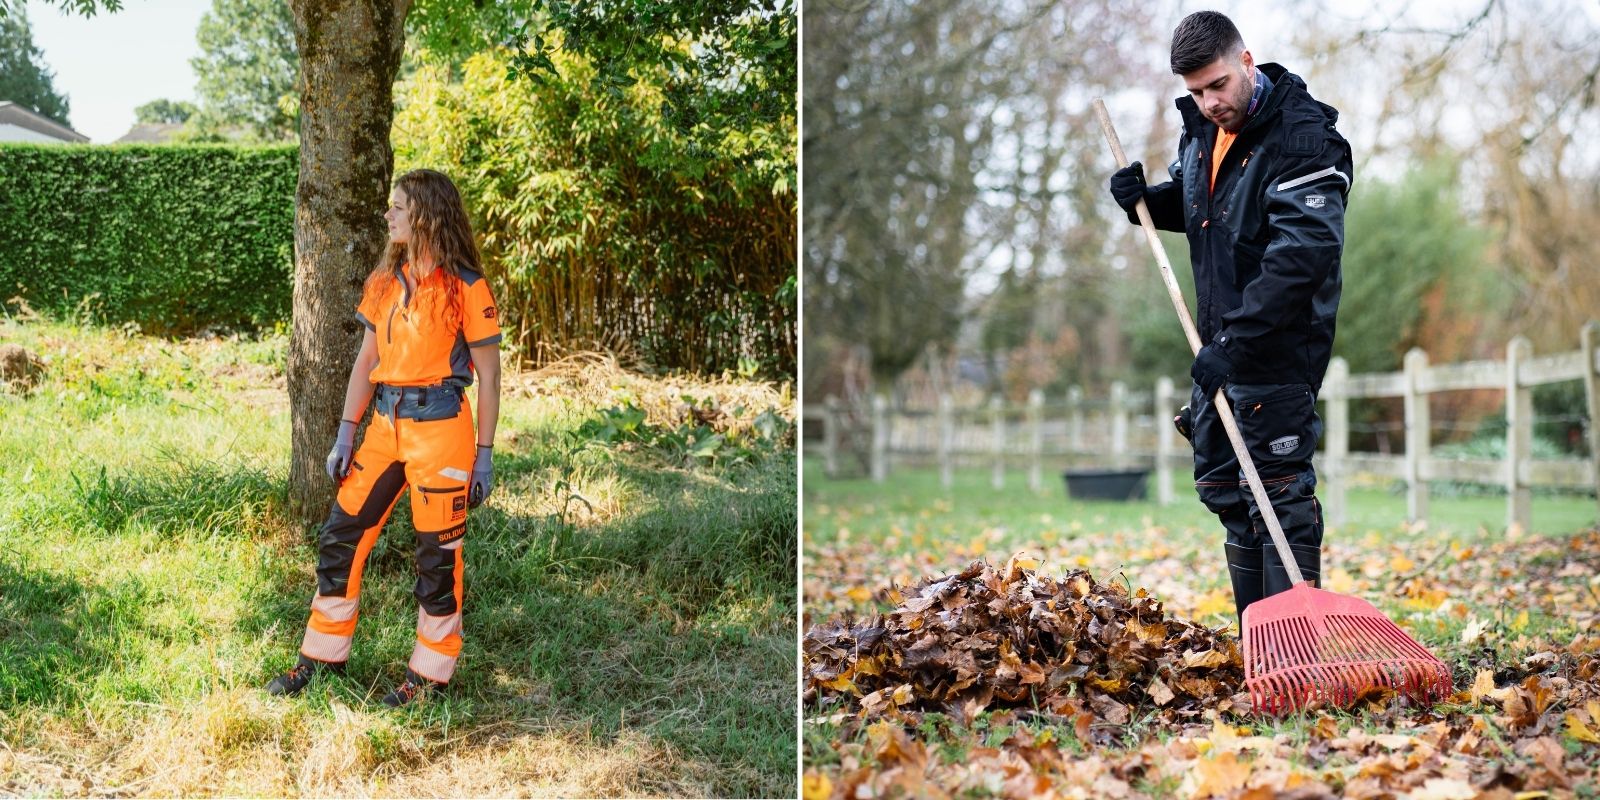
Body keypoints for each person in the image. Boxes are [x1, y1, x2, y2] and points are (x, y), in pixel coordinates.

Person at [1106, 11, 1353, 626]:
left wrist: (1233, 347)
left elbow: (1300, 259)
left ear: (1247, 62)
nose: (1209, 102)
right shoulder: (1200, 135)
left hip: (1272, 355)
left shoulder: (1302, 140)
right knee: (1229, 494)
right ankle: (1259, 648)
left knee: (1279, 496)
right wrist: (1143, 202)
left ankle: (1298, 654)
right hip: (1219, 352)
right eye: (1195, 91)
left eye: (1217, 84)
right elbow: (1204, 215)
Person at [265, 168, 503, 706]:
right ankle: (322, 661)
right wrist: (346, 435)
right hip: (384, 430)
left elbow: (489, 377)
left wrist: (483, 456)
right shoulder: (382, 283)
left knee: (437, 557)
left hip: (442, 432)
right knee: (340, 538)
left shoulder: (467, 287)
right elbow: (365, 362)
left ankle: (429, 678)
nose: (388, 215)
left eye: (398, 207)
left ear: (424, 214)